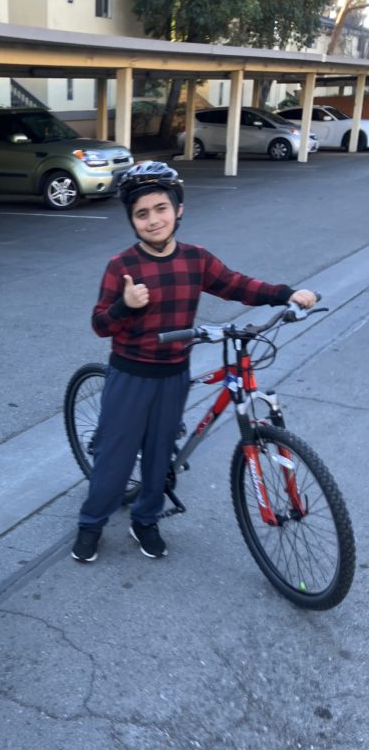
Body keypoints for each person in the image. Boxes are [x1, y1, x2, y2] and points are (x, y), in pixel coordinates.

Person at [72, 161, 317, 564]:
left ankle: (145, 519)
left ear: (178, 210)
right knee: (115, 458)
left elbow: (238, 285)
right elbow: (100, 325)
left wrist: (287, 294)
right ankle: (90, 524)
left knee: (159, 455)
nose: (153, 220)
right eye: (142, 213)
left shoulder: (196, 259)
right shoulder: (123, 266)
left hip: (173, 374)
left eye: (161, 209)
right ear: (132, 220)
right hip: (131, 373)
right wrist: (124, 305)